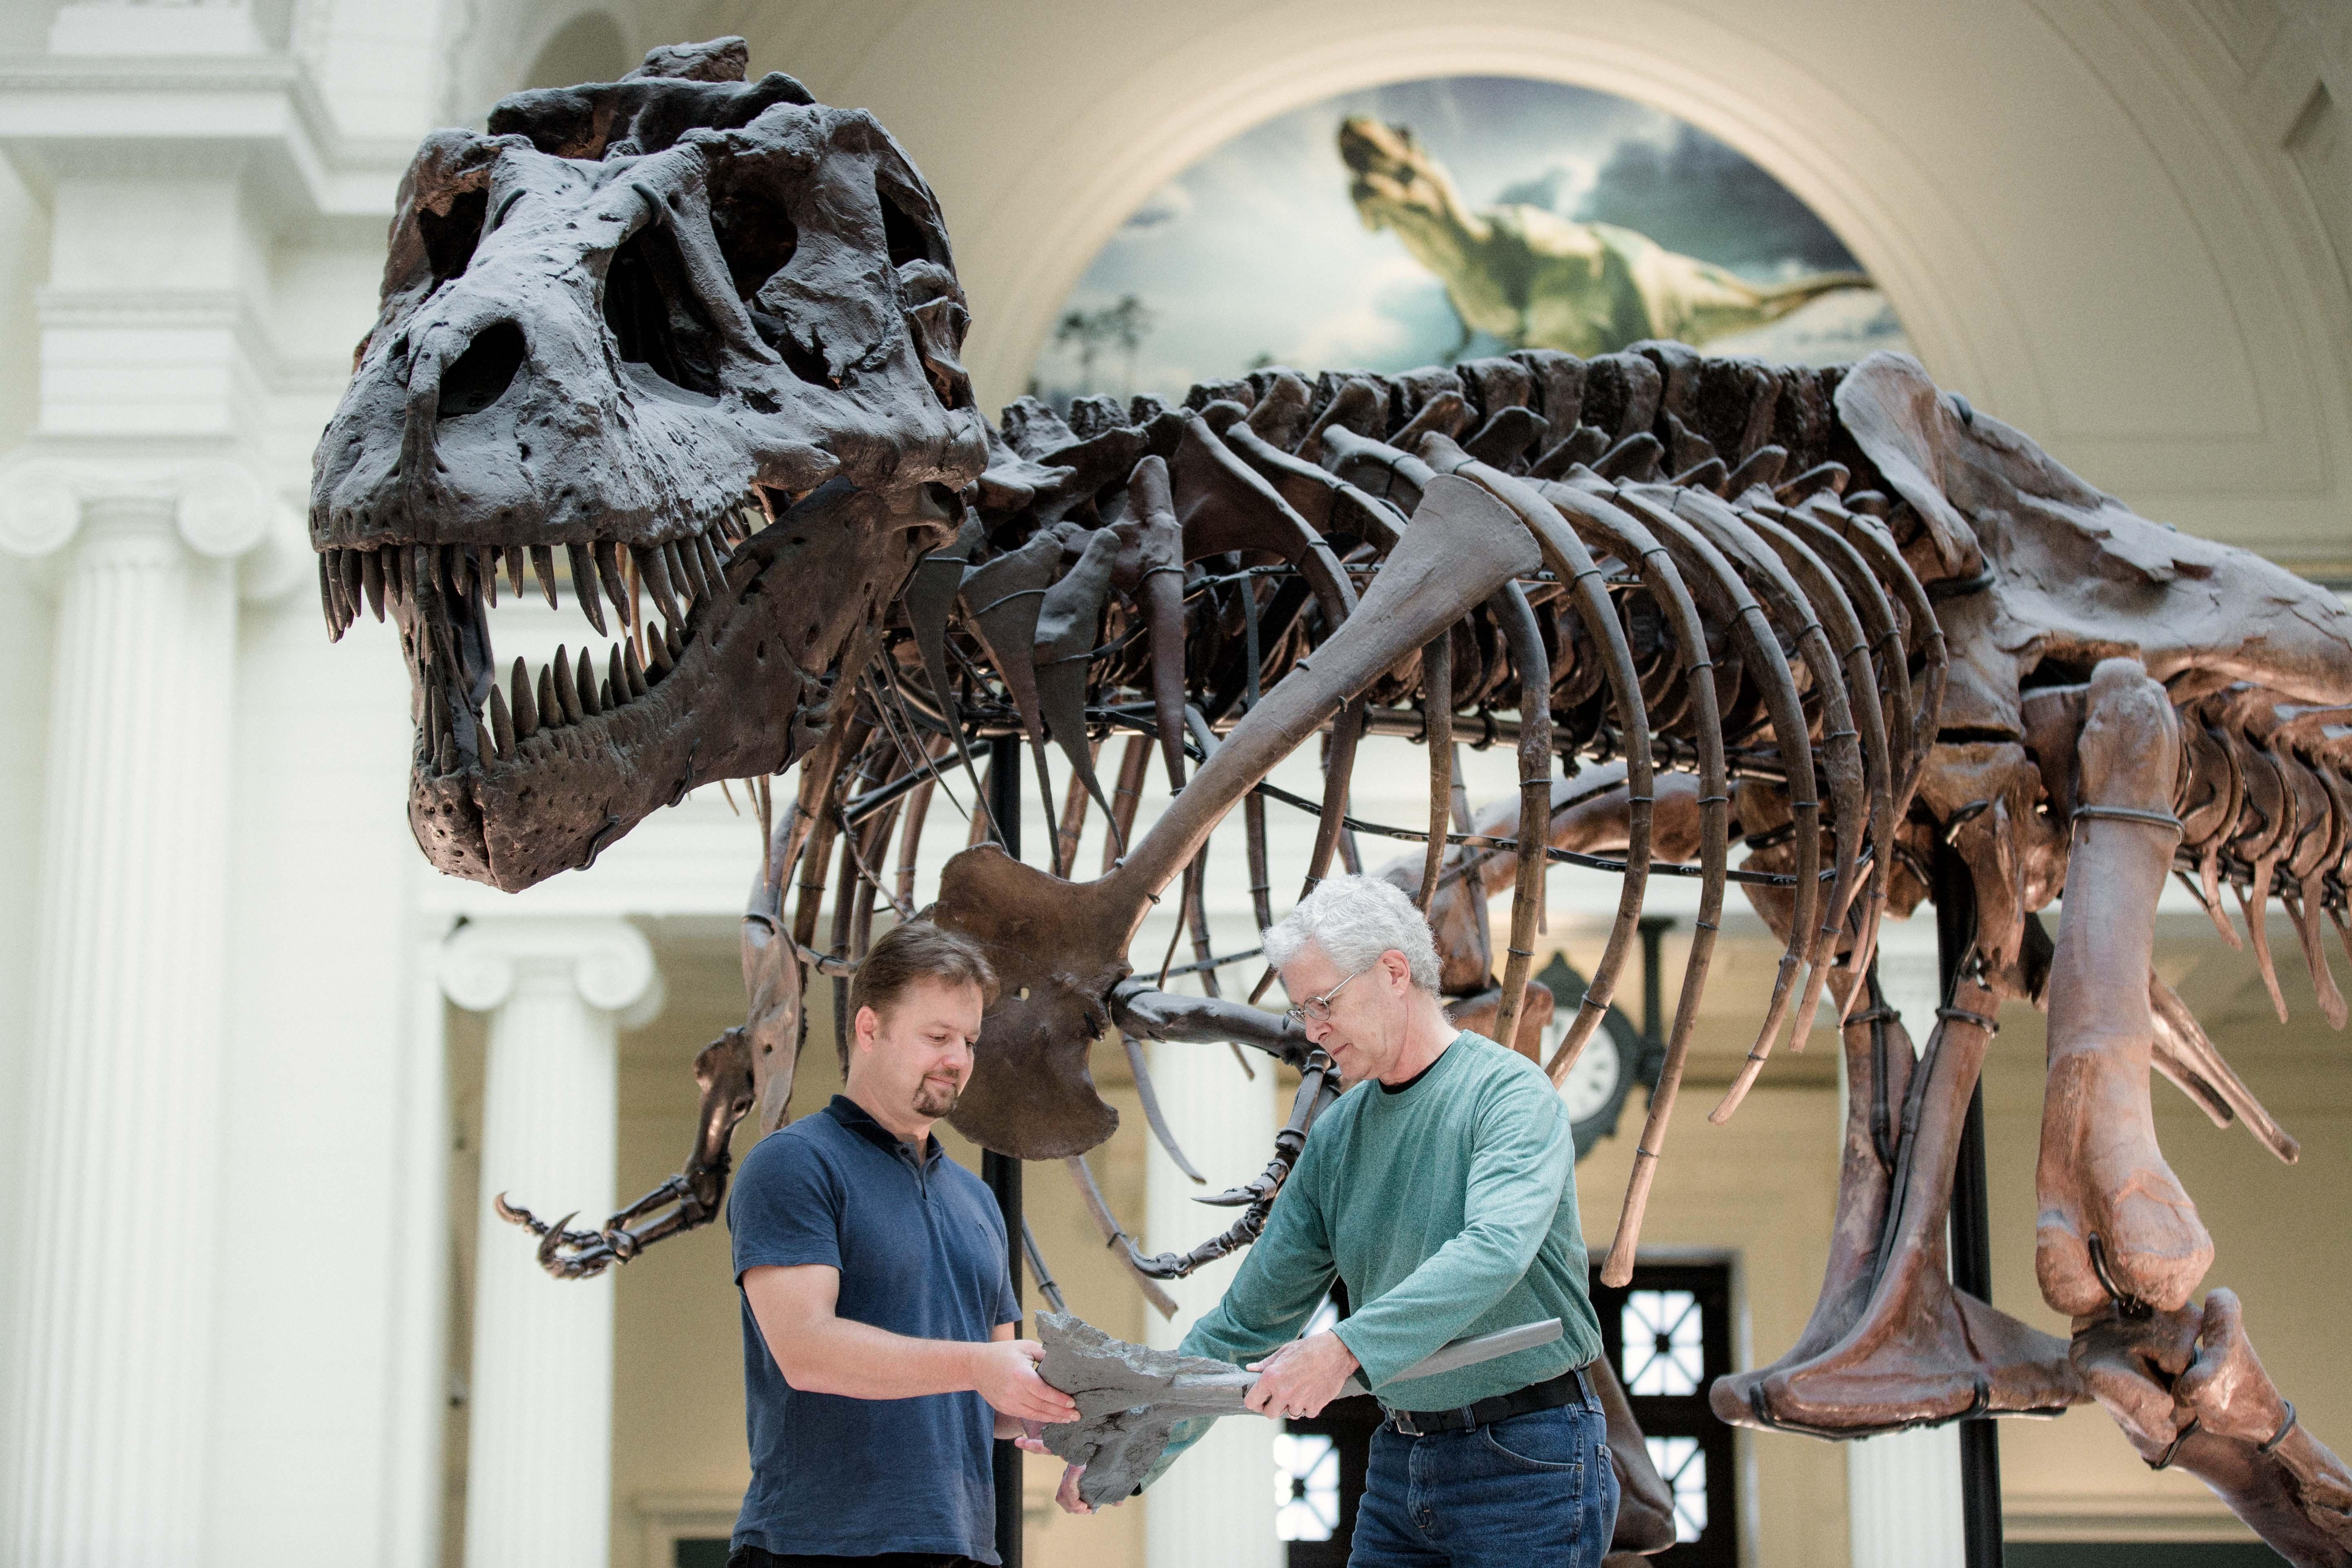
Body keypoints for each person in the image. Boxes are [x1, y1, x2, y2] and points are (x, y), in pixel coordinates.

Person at [1047, 874, 1615, 1565]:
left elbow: (1495, 1250)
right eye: (1301, 1008)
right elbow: (1245, 1326)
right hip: (1403, 1456)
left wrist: (1345, 1348)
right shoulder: (1338, 1135)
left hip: (1530, 1460)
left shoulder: (1510, 1094)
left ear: (1394, 972)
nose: (1312, 1029)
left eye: (1323, 1002)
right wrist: (1133, 1444)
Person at [726, 920, 1078, 1567]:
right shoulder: (794, 1165)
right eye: (937, 1036)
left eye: (969, 1040)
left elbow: (995, 1394)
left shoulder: (977, 1201)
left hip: (963, 1546)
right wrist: (978, 1366)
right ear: (869, 1028)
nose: (959, 1059)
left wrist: (1065, 1420)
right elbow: (806, 1352)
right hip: (819, 1548)